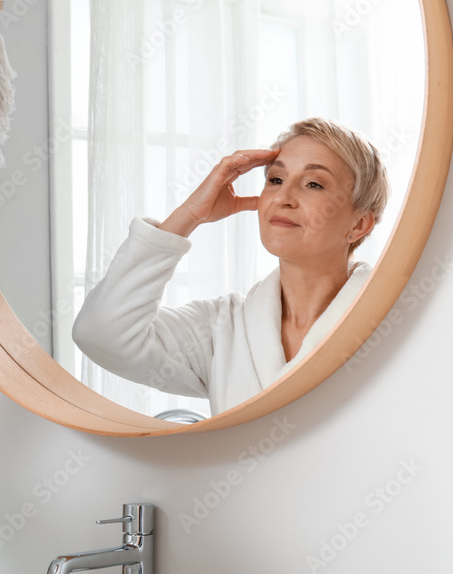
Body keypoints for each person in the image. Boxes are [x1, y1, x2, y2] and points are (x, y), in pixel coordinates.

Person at [72, 118, 389, 415]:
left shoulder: (392, 318)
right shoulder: (222, 329)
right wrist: (190, 214)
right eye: (275, 179)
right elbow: (101, 334)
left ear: (359, 225)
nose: (283, 197)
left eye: (314, 184)